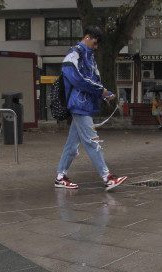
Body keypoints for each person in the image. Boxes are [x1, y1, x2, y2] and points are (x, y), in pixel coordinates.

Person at [54, 25, 127, 191]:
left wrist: (103, 94)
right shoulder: (75, 53)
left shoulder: (86, 56)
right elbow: (77, 79)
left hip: (82, 105)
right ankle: (107, 177)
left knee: (72, 145)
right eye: (95, 43)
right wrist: (102, 92)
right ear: (87, 37)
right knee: (92, 141)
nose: (96, 46)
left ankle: (60, 176)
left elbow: (88, 80)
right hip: (80, 105)